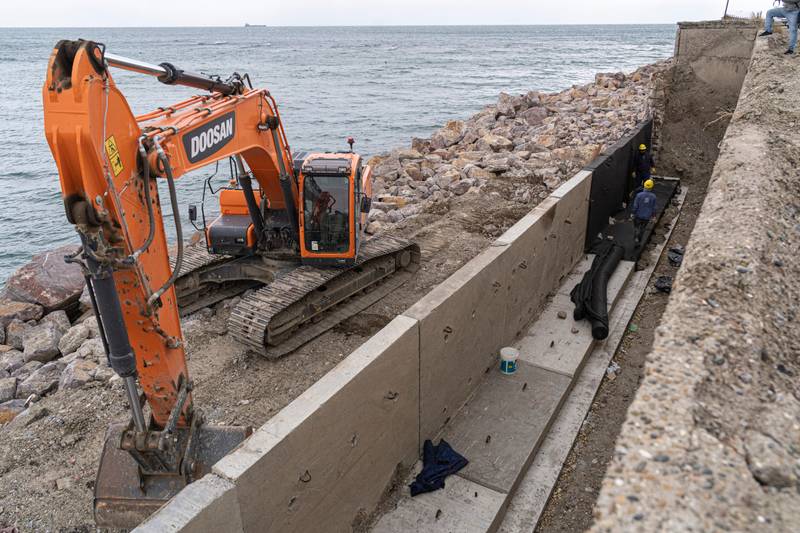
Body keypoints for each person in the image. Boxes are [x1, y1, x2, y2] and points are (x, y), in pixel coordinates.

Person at [631, 179, 657, 246]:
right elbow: (654, 208)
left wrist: (633, 213)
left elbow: (635, 206)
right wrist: (654, 216)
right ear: (651, 187)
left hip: (638, 215)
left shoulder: (639, 195)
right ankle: (639, 240)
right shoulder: (653, 197)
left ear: (644, 186)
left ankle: (636, 238)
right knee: (643, 228)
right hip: (647, 217)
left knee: (636, 227)